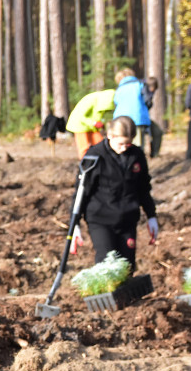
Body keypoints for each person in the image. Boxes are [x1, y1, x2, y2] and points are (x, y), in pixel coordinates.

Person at [70, 116, 158, 271]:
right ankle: (105, 295)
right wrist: (74, 223)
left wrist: (151, 216)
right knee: (107, 266)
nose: (124, 148)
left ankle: (125, 295)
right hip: (101, 219)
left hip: (127, 219)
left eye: (128, 143)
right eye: (121, 143)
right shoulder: (94, 156)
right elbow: (81, 191)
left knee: (127, 267)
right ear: (110, 135)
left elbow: (143, 188)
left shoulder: (136, 155)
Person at [66, 89, 116, 158]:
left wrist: (101, 123)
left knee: (101, 144)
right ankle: (86, 164)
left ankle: (102, 163)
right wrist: (94, 123)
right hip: (80, 126)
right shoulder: (91, 99)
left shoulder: (105, 104)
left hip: (92, 127)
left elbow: (99, 116)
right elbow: (80, 116)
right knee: (84, 148)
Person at [112, 68, 151, 150]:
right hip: (138, 119)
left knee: (122, 145)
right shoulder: (140, 84)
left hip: (120, 121)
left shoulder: (118, 89)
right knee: (137, 147)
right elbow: (148, 101)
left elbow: (116, 104)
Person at [142, 77, 163, 158]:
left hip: (145, 119)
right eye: (153, 89)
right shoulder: (143, 90)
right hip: (140, 120)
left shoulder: (147, 92)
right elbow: (147, 103)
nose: (153, 91)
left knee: (157, 132)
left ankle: (154, 154)